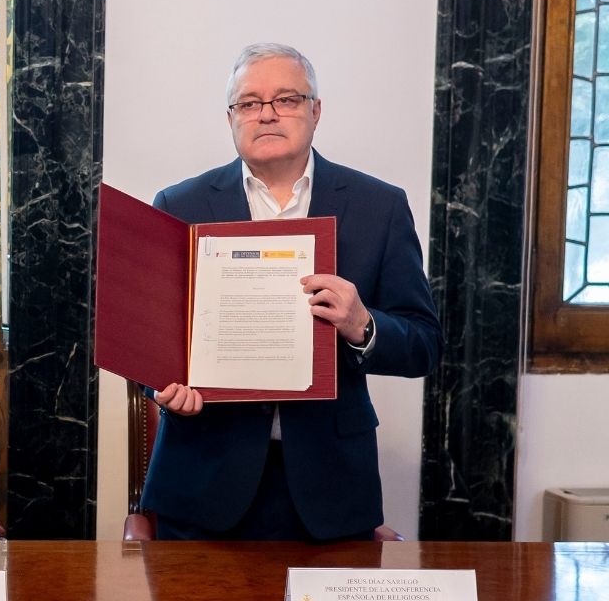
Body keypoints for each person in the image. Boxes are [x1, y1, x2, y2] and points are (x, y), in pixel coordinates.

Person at [139, 43, 441, 541]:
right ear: (231, 117)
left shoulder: (378, 207)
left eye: (287, 99)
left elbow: (424, 345)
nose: (267, 115)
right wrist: (164, 387)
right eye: (250, 103)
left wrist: (362, 326)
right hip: (204, 480)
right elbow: (153, 339)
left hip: (331, 483)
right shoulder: (179, 204)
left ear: (315, 111)